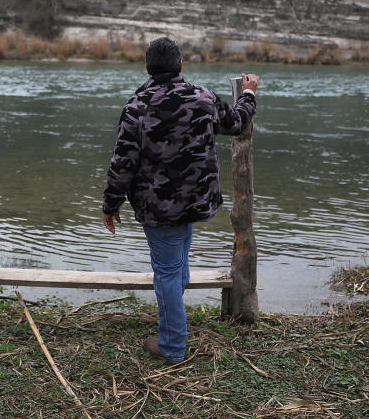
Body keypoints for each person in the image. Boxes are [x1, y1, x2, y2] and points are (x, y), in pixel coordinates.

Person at [102, 37, 258, 362]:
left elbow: (123, 162)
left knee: (168, 272)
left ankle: (172, 346)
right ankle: (174, 313)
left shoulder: (136, 107)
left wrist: (111, 204)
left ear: (147, 68)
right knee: (176, 267)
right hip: (196, 200)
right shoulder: (203, 96)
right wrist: (249, 94)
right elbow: (237, 122)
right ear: (181, 66)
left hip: (158, 206)